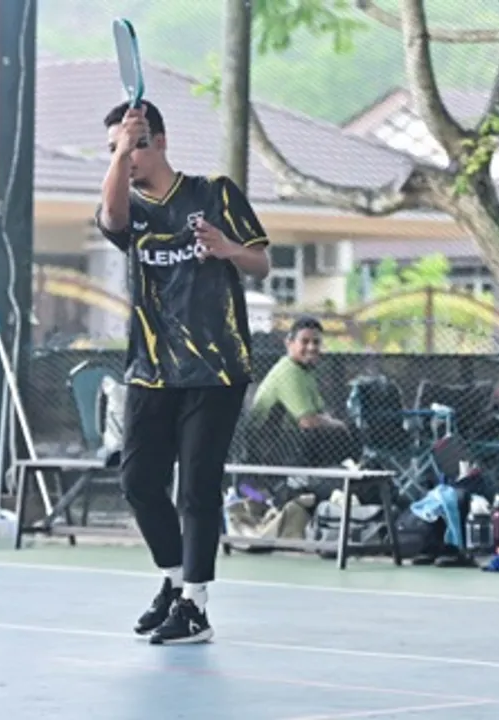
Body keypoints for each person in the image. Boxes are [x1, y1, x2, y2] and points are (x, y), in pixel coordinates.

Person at [95, 99, 270, 645]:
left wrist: (228, 248)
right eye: (116, 150)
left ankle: (196, 605)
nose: (126, 157)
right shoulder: (128, 204)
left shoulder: (215, 192)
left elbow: (261, 263)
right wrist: (122, 151)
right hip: (151, 369)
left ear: (162, 142)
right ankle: (174, 580)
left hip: (216, 368)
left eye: (135, 146)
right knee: (138, 482)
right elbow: (111, 219)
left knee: (196, 487)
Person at [251, 316, 360, 468]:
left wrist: (334, 423)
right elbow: (307, 421)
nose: (311, 347)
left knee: (350, 431)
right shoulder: (289, 371)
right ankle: (354, 470)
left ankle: (356, 470)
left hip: (293, 442)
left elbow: (319, 412)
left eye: (316, 342)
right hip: (273, 446)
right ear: (289, 343)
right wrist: (338, 425)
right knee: (341, 434)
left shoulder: (305, 372)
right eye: (305, 341)